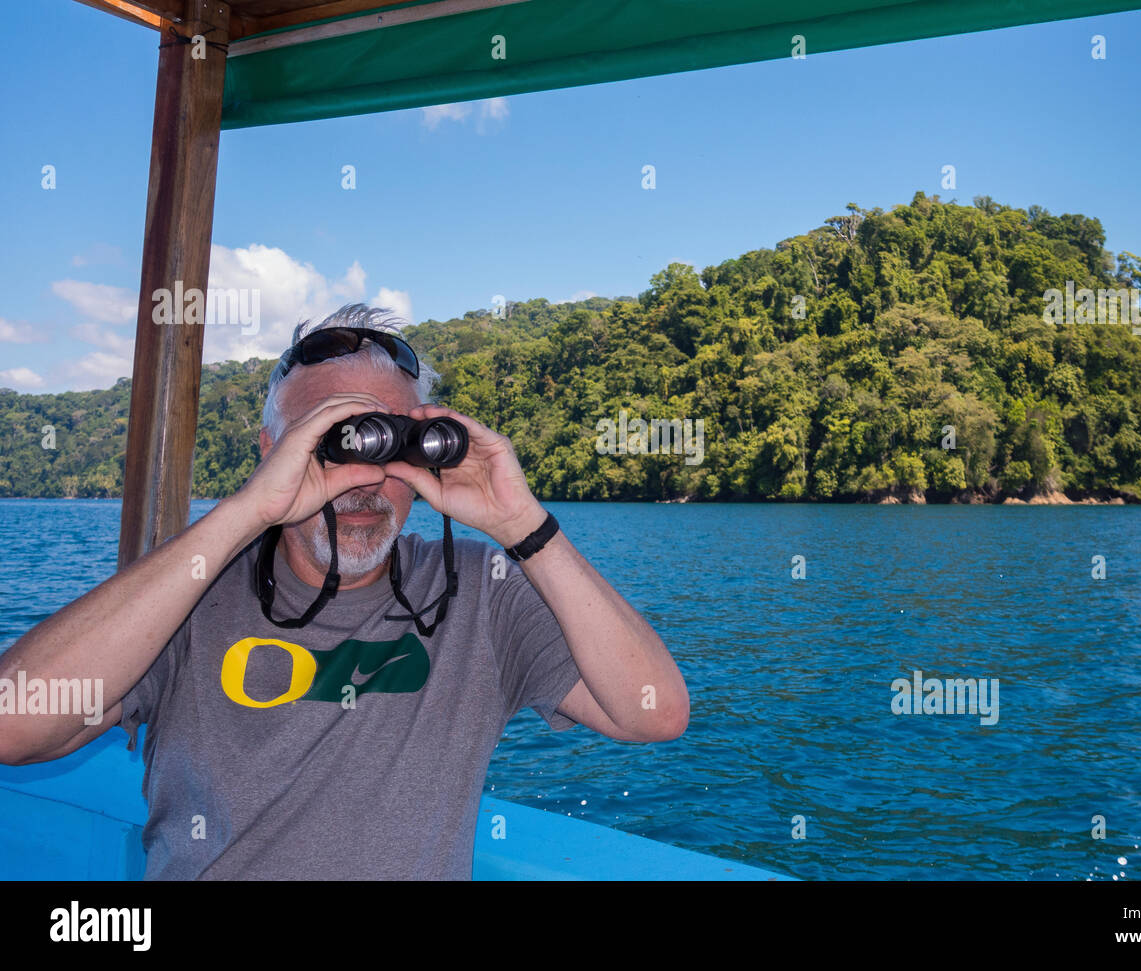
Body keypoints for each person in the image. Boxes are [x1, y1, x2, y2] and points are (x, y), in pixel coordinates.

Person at [0, 304, 689, 879]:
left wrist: (524, 525)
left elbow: (653, 713)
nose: (363, 479)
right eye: (332, 441)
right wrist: (246, 512)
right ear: (273, 449)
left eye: (393, 443)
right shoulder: (188, 595)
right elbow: (14, 723)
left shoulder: (482, 591)